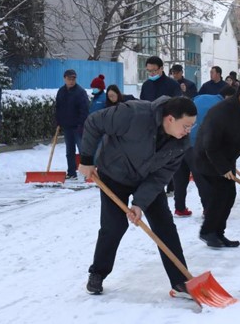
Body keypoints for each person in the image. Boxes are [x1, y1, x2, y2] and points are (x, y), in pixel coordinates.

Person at [79, 96, 198, 296]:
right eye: (186, 126)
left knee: (164, 225)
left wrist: (139, 204)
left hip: (147, 179)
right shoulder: (133, 114)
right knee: (114, 226)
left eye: (191, 127)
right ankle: (97, 273)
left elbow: (160, 177)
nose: (188, 132)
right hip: (114, 174)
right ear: (170, 119)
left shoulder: (180, 144)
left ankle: (180, 281)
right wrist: (87, 159)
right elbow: (94, 122)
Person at [194, 78, 240, 248]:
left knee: (229, 196)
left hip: (227, 157)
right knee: (220, 195)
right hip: (208, 157)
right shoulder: (220, 112)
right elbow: (209, 144)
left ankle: (218, 233)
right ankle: (207, 232)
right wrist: (223, 168)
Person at [172, 86, 237, 217]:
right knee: (202, 178)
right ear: (228, 97)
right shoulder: (222, 108)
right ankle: (208, 209)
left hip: (179, 141)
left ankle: (180, 208)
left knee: (180, 177)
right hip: (197, 145)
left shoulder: (201, 97)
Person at [56, 69, 89, 180]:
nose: (71, 81)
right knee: (69, 151)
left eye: (73, 79)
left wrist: (81, 124)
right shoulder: (61, 91)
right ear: (64, 78)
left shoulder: (80, 92)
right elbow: (58, 108)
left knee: (82, 151)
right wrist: (58, 122)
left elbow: (84, 110)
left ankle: (87, 173)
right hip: (67, 127)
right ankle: (71, 172)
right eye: (69, 79)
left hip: (78, 127)